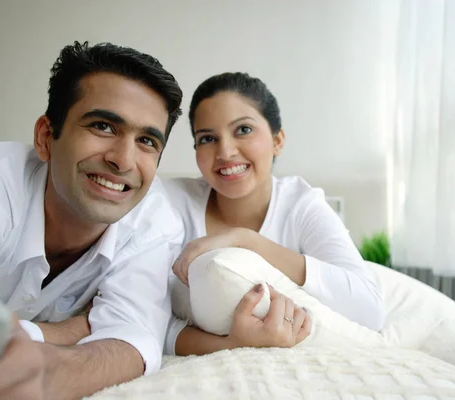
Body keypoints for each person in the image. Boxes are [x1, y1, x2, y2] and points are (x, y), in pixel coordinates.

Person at [0, 41, 184, 399]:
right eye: (103, 126)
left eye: (146, 141)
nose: (123, 161)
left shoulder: (156, 222)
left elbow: (134, 341)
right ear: (46, 137)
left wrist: (48, 375)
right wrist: (71, 330)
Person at [163, 72, 385, 356]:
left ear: (277, 140)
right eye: (207, 138)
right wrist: (230, 345)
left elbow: (371, 311)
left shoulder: (301, 205)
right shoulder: (173, 201)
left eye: (243, 130)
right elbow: (148, 323)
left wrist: (246, 241)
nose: (226, 152)